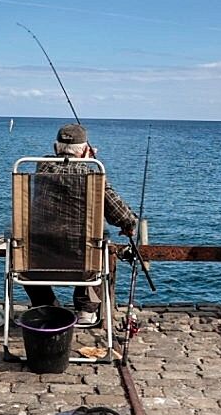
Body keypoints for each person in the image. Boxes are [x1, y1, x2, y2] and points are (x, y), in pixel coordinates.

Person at [25, 123, 139, 328]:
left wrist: (85, 158)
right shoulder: (93, 177)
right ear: (86, 150)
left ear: (54, 148)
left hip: (38, 264)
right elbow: (122, 215)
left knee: (32, 251)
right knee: (94, 246)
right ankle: (86, 309)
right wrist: (129, 224)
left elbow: (55, 163)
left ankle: (46, 306)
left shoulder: (40, 168)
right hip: (82, 265)